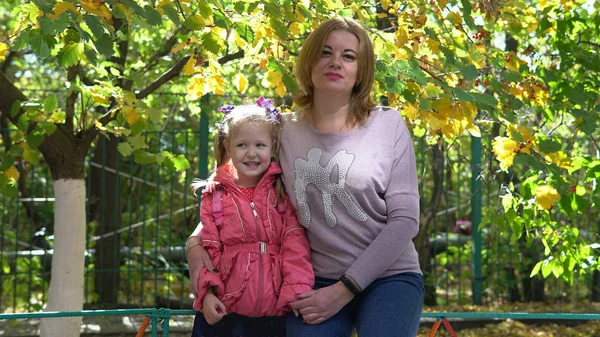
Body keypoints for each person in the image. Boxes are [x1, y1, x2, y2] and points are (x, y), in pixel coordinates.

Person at [187, 16, 424, 337]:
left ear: (361, 71)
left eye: (348, 56)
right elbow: (235, 196)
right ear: (310, 62)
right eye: (325, 52)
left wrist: (345, 288)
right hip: (313, 279)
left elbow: (406, 220)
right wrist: (196, 243)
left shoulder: (388, 125)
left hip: (390, 276)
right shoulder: (280, 130)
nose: (335, 62)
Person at [187, 97, 314, 337]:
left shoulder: (282, 193)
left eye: (260, 145)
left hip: (274, 314)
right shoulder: (215, 197)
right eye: (242, 145)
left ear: (273, 146)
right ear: (227, 147)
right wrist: (207, 294)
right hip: (225, 311)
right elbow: (209, 251)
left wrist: (296, 293)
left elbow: (295, 246)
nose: (252, 153)